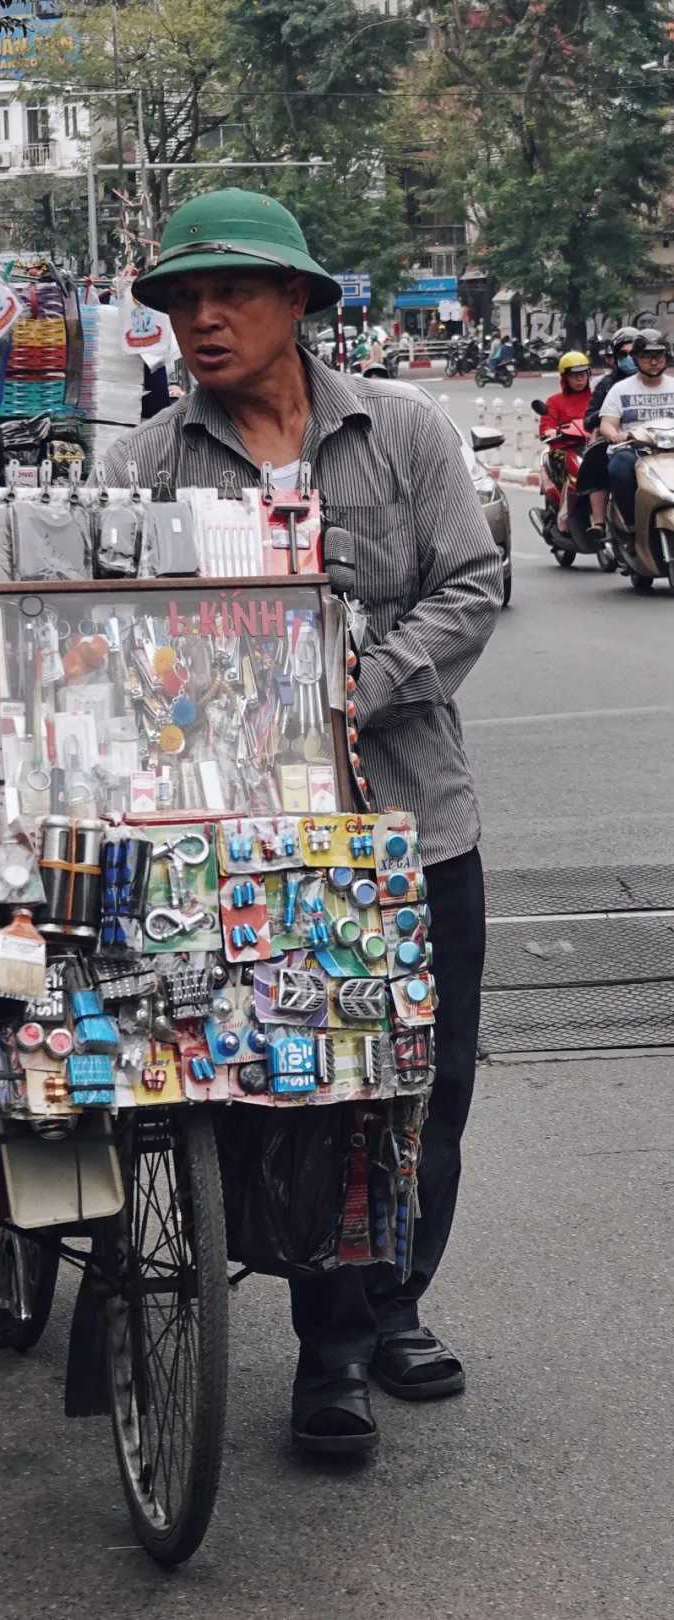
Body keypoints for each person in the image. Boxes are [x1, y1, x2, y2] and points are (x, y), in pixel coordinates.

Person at [101, 188, 502, 1457]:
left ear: (299, 306)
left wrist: (350, 682)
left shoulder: (408, 433)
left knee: (428, 1090)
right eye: (180, 299)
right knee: (310, 1090)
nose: (202, 319)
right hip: (244, 841)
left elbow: (474, 581)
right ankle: (328, 1354)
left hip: (412, 822)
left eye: (230, 295)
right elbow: (106, 634)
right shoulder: (147, 467)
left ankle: (393, 1305)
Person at [599, 328, 674, 528]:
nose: (654, 361)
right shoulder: (620, 389)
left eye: (658, 355)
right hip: (635, 450)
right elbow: (607, 423)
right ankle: (632, 524)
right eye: (647, 356)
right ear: (636, 358)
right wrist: (615, 435)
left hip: (670, 451)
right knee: (619, 468)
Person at [575, 328, 639, 540]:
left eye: (635, 353)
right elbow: (589, 418)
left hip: (653, 442)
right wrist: (607, 417)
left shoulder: (661, 384)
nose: (630, 359)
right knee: (597, 461)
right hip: (615, 441)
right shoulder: (607, 386)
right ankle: (600, 521)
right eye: (623, 354)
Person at [538, 352, 600, 535]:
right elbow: (546, 425)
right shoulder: (554, 401)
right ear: (565, 378)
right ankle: (563, 516)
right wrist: (550, 431)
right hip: (565, 450)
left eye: (583, 375)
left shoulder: (596, 397)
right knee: (574, 472)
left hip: (594, 446)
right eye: (574, 376)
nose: (580, 380)